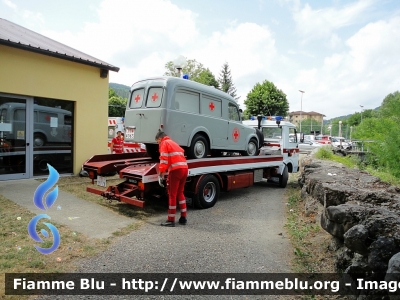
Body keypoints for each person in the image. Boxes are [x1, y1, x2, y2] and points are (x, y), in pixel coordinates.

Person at [156, 130, 188, 227]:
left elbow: (164, 160)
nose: (158, 143)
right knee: (180, 193)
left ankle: (171, 220)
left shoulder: (164, 143)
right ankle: (183, 217)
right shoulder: (173, 143)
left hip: (175, 170)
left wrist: (161, 174)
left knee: (172, 195)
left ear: (160, 138)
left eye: (157, 141)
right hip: (184, 169)